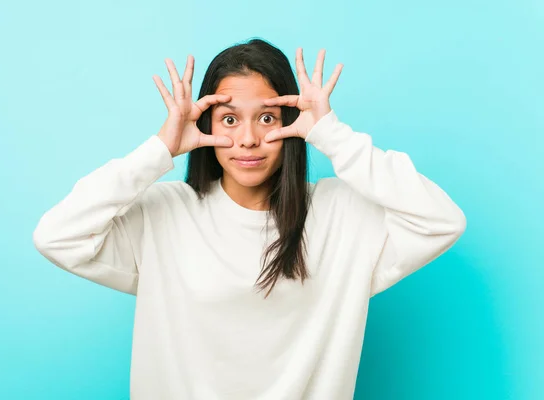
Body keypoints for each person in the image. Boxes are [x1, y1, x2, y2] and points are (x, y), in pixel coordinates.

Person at [33, 38, 466, 399]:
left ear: (292, 123)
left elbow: (442, 220)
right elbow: (57, 236)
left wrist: (332, 135)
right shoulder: (164, 214)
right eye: (228, 119)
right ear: (205, 126)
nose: (248, 139)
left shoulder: (342, 214)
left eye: (266, 118)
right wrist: (159, 150)